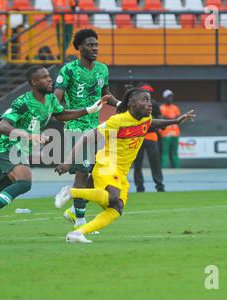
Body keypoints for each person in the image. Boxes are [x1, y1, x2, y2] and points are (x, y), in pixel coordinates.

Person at [0, 65, 110, 245]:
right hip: (8, 148)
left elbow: (62, 115)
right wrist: (29, 135)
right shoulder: (23, 101)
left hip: (18, 151)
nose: (50, 80)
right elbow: (2, 126)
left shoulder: (50, 100)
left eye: (49, 76)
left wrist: (89, 110)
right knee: (24, 182)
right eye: (44, 77)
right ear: (34, 82)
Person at [54, 88, 196, 243]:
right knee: (113, 197)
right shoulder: (117, 121)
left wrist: (175, 121)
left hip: (121, 171)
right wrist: (68, 162)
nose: (150, 104)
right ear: (132, 103)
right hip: (107, 164)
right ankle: (71, 192)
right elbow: (85, 138)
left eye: (149, 100)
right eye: (145, 100)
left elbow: (151, 123)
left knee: (116, 209)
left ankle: (78, 233)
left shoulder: (145, 119)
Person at [54, 28, 121, 232]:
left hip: (96, 128)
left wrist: (121, 105)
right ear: (79, 47)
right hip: (75, 127)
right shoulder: (69, 70)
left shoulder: (103, 69)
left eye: (97, 45)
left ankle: (74, 210)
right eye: (90, 45)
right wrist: (62, 113)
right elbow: (56, 100)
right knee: (82, 172)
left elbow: (106, 95)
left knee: (96, 173)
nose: (95, 48)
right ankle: (81, 222)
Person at [133, 83, 165, 192]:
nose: (147, 94)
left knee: (155, 162)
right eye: (145, 92)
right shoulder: (135, 105)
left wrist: (160, 125)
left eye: (148, 92)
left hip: (151, 135)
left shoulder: (154, 104)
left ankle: (159, 185)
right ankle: (139, 186)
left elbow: (160, 117)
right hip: (138, 136)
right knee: (137, 163)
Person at [159, 89, 181, 168]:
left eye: (171, 96)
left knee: (174, 152)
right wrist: (172, 118)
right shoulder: (161, 107)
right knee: (165, 153)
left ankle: (177, 169)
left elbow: (178, 119)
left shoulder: (175, 107)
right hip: (166, 133)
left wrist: (170, 118)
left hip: (175, 133)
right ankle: (164, 169)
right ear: (164, 98)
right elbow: (162, 119)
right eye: (168, 97)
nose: (170, 98)